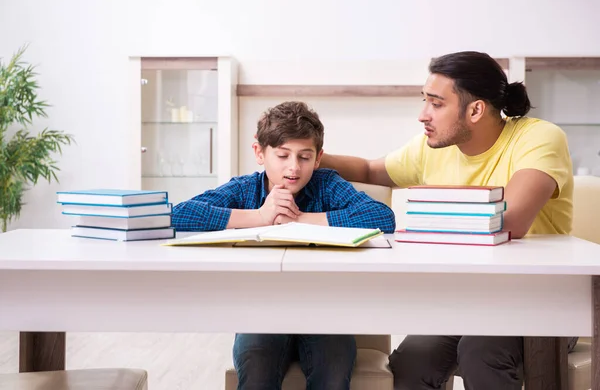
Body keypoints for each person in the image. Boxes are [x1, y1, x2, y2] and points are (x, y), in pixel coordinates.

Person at [319, 51, 575, 390]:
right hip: (468, 299)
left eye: (436, 104)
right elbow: (368, 169)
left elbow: (510, 220)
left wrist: (417, 220)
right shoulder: (431, 148)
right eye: (425, 101)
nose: (423, 115)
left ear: (475, 110)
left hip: (539, 299)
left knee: (481, 351)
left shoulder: (539, 138)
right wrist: (307, 155)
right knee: (411, 362)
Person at [171, 100, 396, 390]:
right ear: (260, 153)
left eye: (304, 157)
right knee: (256, 370)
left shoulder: (326, 184)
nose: (293, 167)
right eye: (282, 155)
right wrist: (260, 216)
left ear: (318, 158)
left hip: (324, 315)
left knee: (332, 371)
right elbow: (179, 214)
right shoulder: (244, 189)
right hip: (262, 313)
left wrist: (301, 218)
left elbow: (382, 217)